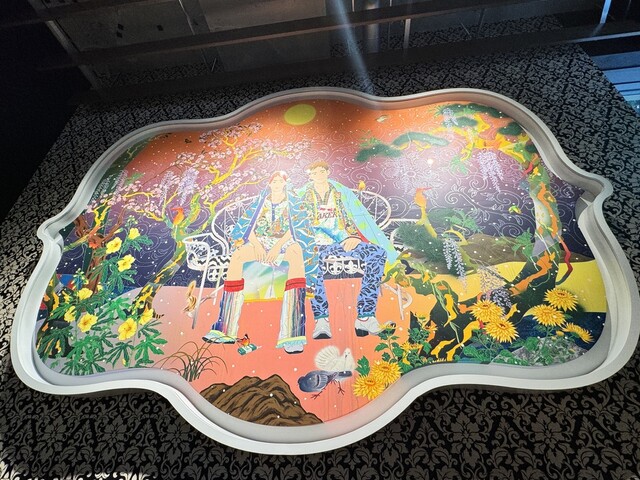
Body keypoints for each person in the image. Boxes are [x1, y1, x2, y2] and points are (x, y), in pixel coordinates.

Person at [203, 171, 316, 353]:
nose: (277, 184)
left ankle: (293, 335)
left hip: (284, 242)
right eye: (274, 181)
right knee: (237, 257)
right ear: (269, 184)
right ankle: (224, 328)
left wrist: (277, 246)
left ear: (285, 184)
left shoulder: (294, 202)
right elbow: (247, 227)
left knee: (297, 253)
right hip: (260, 242)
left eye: (280, 181)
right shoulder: (260, 202)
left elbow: (297, 227)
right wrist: (257, 246)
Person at [300, 161, 398, 339]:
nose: (319, 175)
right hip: (315, 244)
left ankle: (365, 316)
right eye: (314, 173)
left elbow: (349, 216)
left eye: (322, 171)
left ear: (328, 172)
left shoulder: (339, 193)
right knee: (311, 262)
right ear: (310, 176)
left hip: (340, 243)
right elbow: (307, 224)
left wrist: (353, 236)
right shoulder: (303, 195)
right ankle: (322, 320)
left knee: (377, 253)